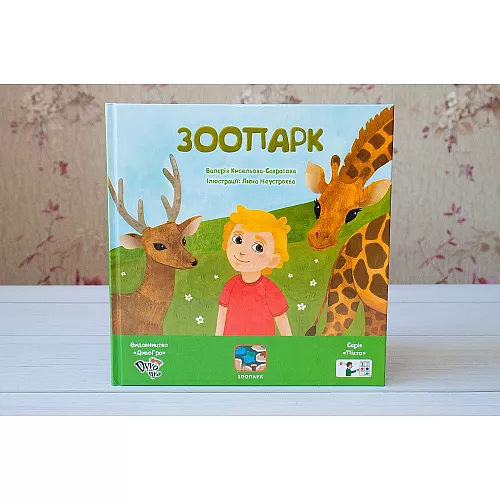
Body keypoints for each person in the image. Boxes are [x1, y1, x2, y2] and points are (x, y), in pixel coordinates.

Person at [215, 205, 292, 336]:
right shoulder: (231, 285)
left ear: (273, 259)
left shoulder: (269, 290)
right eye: (238, 239)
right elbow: (222, 314)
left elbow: (282, 321)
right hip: (233, 344)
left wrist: (289, 344)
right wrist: (218, 340)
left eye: (258, 247)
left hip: (262, 345)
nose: (242, 251)